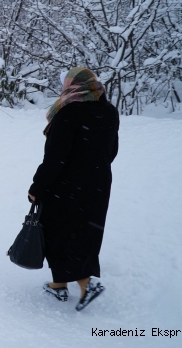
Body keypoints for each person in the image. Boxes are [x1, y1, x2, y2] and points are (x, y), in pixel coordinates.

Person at [28, 67, 119, 311]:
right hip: (98, 183)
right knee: (86, 232)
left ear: (71, 84)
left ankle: (85, 283)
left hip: (66, 184)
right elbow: (112, 151)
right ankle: (59, 285)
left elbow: (55, 158)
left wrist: (38, 186)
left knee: (57, 231)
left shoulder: (68, 112)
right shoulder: (109, 110)